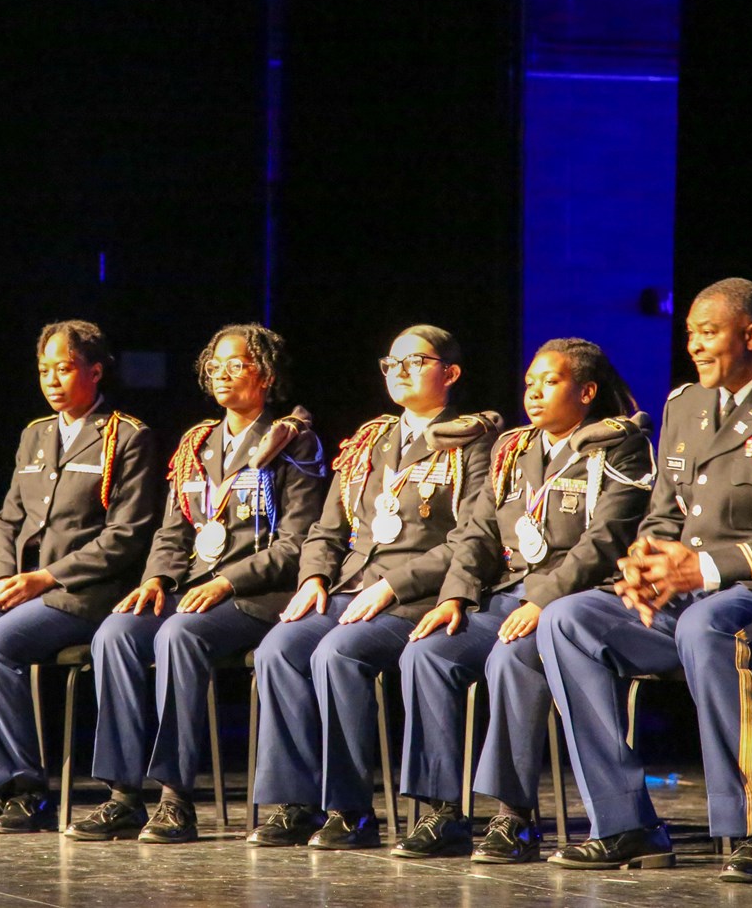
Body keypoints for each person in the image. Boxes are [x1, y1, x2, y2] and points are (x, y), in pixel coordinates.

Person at [538, 278, 752, 882]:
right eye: (689, 334)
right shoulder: (684, 405)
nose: (694, 345)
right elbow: (664, 512)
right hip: (688, 606)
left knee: (712, 626)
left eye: (708, 333)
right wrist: (643, 562)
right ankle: (624, 823)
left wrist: (706, 566)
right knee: (568, 619)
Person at [391, 339, 653, 860]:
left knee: (513, 658)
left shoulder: (616, 446)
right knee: (427, 651)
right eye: (530, 382)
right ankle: (444, 813)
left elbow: (606, 540)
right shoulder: (513, 448)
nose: (533, 393)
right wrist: (456, 597)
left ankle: (514, 817)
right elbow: (478, 535)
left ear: (587, 390)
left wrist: (545, 599)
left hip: (574, 602)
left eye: (549, 382)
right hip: (508, 597)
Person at [67, 324, 327, 843]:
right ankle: (122, 795)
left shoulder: (292, 442)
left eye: (236, 364)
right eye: (215, 365)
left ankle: (174, 797)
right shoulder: (197, 443)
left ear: (267, 374)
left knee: (179, 634)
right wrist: (158, 577)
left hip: (256, 597)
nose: (222, 374)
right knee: (116, 632)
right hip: (193, 591)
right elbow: (173, 529)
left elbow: (294, 544)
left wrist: (227, 583)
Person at [248, 325, 497, 850]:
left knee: (339, 653)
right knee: (280, 648)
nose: (399, 371)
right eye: (391, 363)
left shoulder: (474, 442)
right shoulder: (370, 440)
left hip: (414, 597)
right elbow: (326, 528)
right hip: (349, 589)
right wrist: (315, 575)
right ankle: (296, 802)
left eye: (415, 361)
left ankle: (350, 809)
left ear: (449, 374)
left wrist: (393, 587)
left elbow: (470, 539)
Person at [0, 321, 161, 834]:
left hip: (80, 593)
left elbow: (125, 537)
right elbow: (8, 520)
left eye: (65, 368)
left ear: (95, 372)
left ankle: (28, 791)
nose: (52, 380)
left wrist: (44, 578)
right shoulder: (35, 434)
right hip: (20, 586)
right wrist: (0, 577)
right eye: (44, 370)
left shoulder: (127, 436)